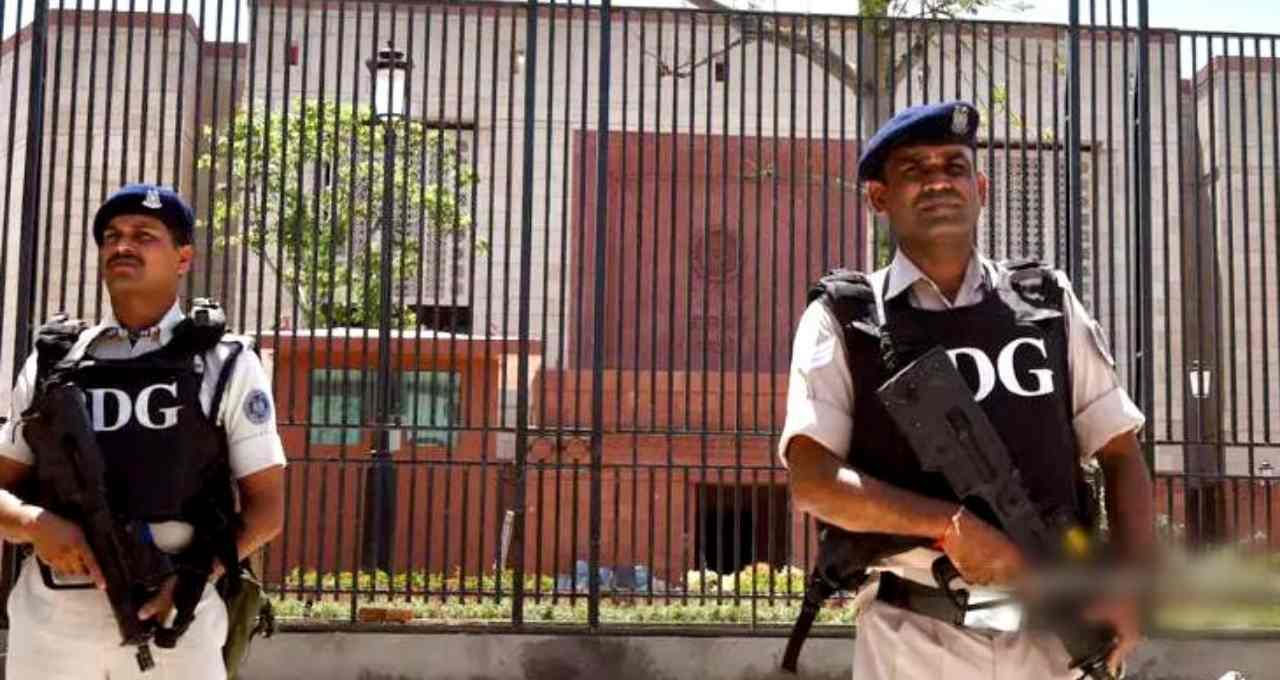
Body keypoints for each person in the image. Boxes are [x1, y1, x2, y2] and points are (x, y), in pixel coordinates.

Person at [780, 102, 1154, 679]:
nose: (938, 181)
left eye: (954, 166)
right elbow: (814, 482)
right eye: (914, 169)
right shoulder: (846, 319)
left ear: (980, 188)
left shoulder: (1046, 302)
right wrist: (947, 524)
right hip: (914, 642)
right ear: (878, 197)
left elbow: (1121, 452)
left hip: (1055, 637)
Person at [0, 183, 286, 678]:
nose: (122, 245)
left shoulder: (225, 363)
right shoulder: (53, 363)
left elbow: (268, 509)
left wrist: (194, 577)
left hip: (179, 618)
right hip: (52, 623)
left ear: (183, 258)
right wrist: (33, 523)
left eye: (143, 235)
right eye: (112, 236)